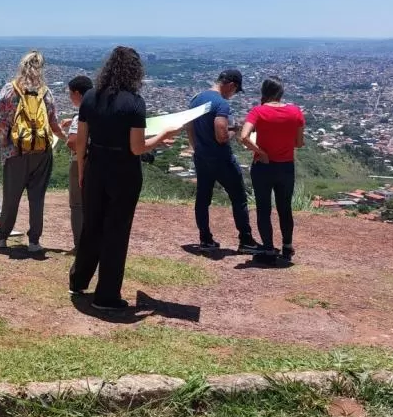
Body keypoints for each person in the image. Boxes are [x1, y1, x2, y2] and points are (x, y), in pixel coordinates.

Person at [69, 47, 180, 310]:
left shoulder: (90, 98)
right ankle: (106, 296)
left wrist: (83, 169)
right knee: (116, 231)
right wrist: (163, 136)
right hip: (123, 171)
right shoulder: (134, 103)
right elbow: (137, 148)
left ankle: (78, 280)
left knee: (92, 226)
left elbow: (82, 139)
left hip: (95, 165)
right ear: (135, 72)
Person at [0, 51, 66, 253]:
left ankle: (2, 237)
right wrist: (68, 140)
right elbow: (53, 125)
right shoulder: (46, 93)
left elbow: (2, 123)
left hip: (14, 152)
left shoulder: (9, 90)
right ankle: (34, 241)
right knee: (37, 198)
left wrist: (3, 142)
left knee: (11, 197)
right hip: (42, 152)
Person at [186, 69, 258, 253]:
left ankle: (205, 239)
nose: (233, 94)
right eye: (235, 90)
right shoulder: (221, 104)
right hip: (221, 158)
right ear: (232, 85)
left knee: (203, 199)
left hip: (202, 157)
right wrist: (235, 130)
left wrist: (196, 148)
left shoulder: (196, 98)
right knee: (239, 198)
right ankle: (246, 240)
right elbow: (221, 135)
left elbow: (189, 126)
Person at [240, 77, 305, 261]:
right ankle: (287, 246)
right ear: (281, 92)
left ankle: (268, 248)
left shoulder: (258, 112)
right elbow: (299, 143)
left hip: (263, 167)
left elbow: (244, 137)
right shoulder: (295, 112)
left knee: (263, 209)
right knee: (285, 208)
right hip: (285, 167)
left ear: (264, 92)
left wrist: (261, 152)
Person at [63, 75, 94, 249]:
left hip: (79, 162)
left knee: (77, 204)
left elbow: (73, 142)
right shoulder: (100, 108)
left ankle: (80, 245)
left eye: (70, 94)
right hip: (100, 162)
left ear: (77, 93)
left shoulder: (81, 114)